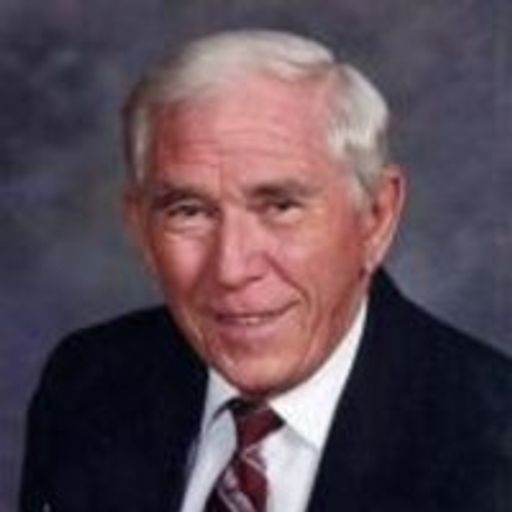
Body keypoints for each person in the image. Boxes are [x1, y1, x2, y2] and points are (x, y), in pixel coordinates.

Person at [20, 29, 512, 512]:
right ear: (140, 228)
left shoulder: (491, 436)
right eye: (189, 211)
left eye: (280, 206)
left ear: (376, 217)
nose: (231, 268)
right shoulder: (88, 379)